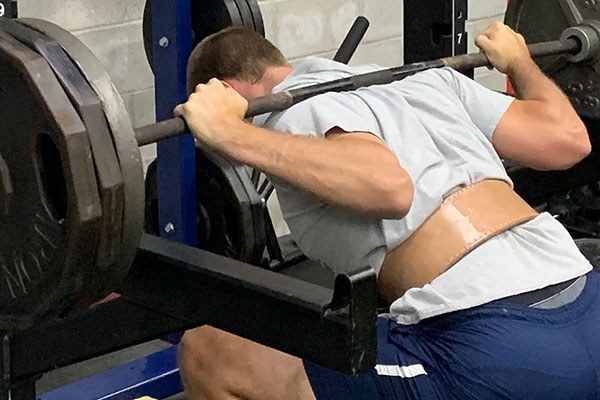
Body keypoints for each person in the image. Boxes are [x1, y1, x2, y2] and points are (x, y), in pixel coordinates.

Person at [174, 21, 598, 400]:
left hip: (492, 349)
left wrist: (231, 132)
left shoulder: (291, 111)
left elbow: (390, 187)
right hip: (585, 302)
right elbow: (566, 139)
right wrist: (519, 62)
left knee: (208, 351)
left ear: (227, 92)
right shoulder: (427, 80)